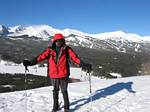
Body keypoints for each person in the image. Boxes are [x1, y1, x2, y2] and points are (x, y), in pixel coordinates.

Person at [23, 33, 92, 112]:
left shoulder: (67, 49)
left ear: (63, 41)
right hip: (54, 74)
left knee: (64, 90)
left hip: (63, 74)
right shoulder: (50, 50)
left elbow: (75, 58)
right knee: (55, 91)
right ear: (54, 41)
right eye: (57, 41)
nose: (58, 42)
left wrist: (84, 65)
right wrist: (30, 62)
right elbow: (40, 57)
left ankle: (66, 107)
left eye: (60, 40)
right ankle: (55, 106)